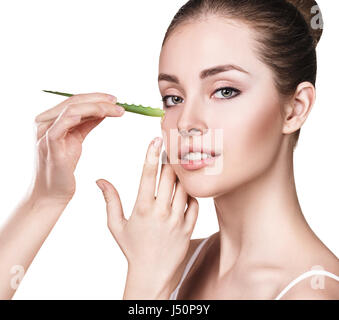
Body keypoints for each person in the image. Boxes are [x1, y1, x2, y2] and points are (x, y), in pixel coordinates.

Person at [1, 0, 338, 300]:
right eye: (173, 98)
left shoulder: (309, 292)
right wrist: (44, 197)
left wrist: (146, 287)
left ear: (295, 108)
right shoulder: (173, 259)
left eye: (224, 91)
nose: (187, 122)